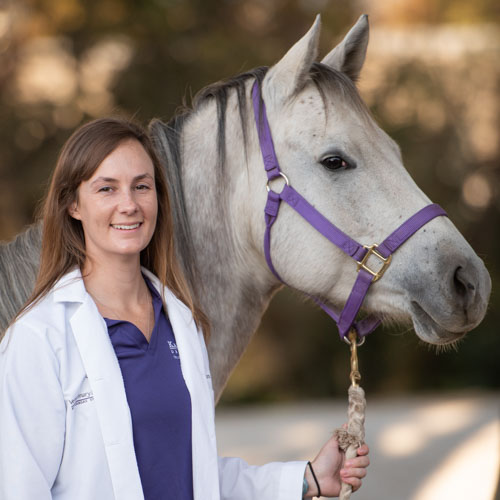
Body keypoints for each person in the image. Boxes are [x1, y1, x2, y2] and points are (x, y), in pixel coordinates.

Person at [0, 117, 369, 500]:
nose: (128, 204)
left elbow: (193, 473)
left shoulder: (180, 322)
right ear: (72, 205)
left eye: (141, 186)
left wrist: (306, 479)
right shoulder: (38, 337)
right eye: (106, 189)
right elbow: (20, 487)